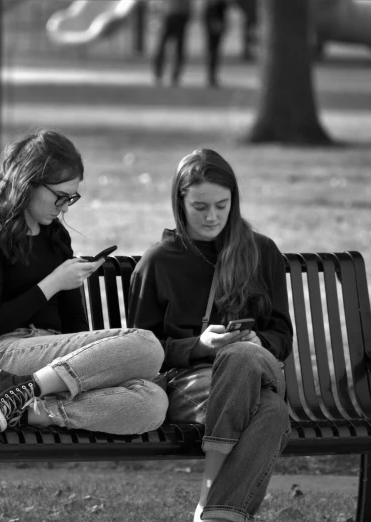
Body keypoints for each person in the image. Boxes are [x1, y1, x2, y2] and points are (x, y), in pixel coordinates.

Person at [0, 129, 168, 435]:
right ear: (28, 183)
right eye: (60, 196)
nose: (66, 207)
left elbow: (73, 331)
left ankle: (24, 409)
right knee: (148, 345)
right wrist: (53, 283)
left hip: (56, 364)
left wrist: (73, 286)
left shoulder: (57, 237)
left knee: (152, 402)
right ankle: (14, 387)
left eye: (72, 198)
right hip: (8, 357)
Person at [128, 148, 293, 521]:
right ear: (180, 202)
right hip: (189, 386)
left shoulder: (261, 251)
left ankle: (209, 494)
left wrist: (260, 342)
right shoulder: (159, 262)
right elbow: (140, 352)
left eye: (222, 205)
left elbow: (282, 333)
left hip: (257, 369)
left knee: (241, 356)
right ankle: (215, 513)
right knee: (271, 411)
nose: (212, 216)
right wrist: (199, 346)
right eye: (200, 206)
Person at [152, 0, 192, 87]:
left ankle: (175, 75)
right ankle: (159, 73)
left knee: (178, 48)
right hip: (169, 16)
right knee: (162, 47)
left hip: (179, 16)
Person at [202, 0, 229, 87]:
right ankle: (211, 76)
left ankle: (212, 76)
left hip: (214, 21)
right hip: (215, 21)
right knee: (213, 51)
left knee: (213, 51)